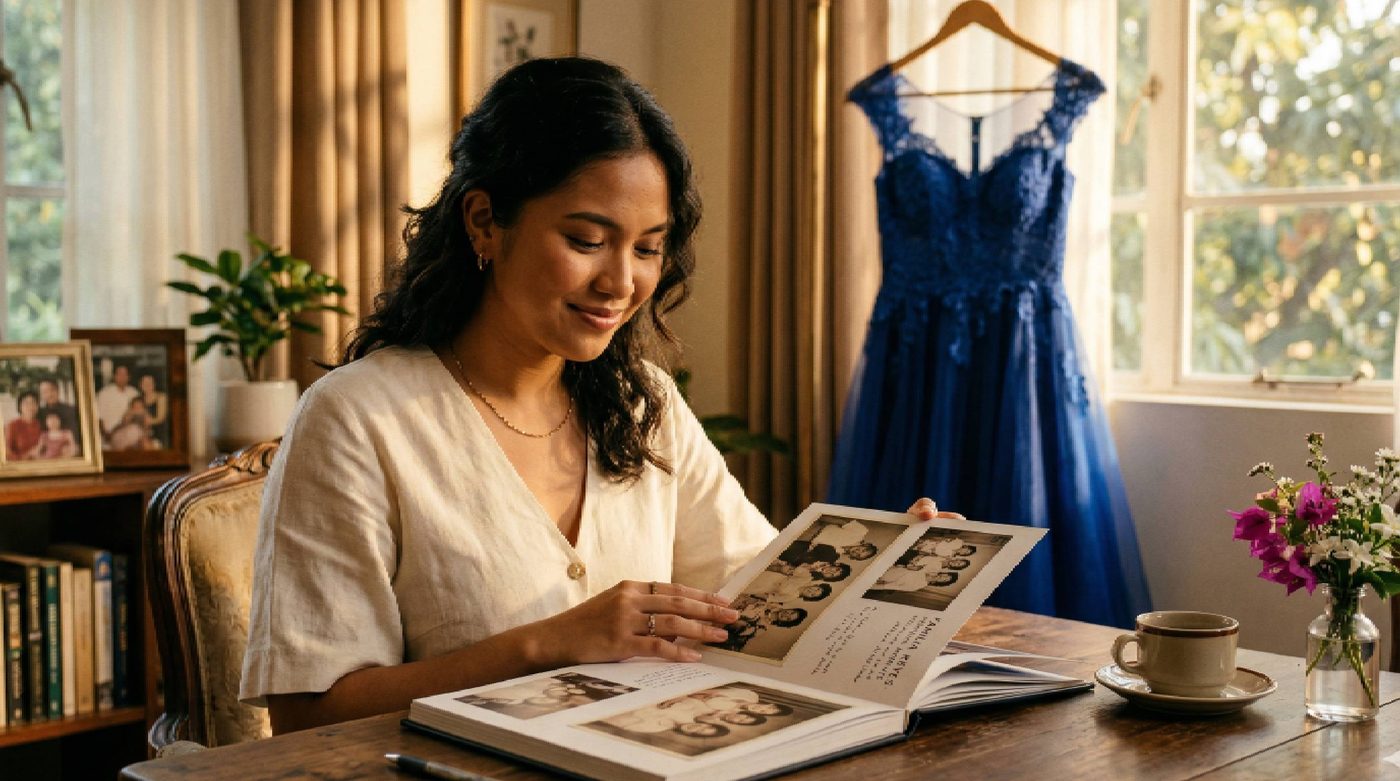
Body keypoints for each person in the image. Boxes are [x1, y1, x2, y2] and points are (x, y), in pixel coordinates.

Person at [237, 56, 953, 735]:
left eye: (647, 248)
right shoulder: (358, 418)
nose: (620, 283)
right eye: (586, 240)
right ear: (484, 221)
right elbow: (307, 714)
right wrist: (546, 643)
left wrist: (881, 575)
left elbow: (753, 600)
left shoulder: (645, 404)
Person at [95, 363, 139, 444]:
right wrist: (105, 434)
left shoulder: (134, 393)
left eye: (125, 375)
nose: (122, 377)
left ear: (129, 377)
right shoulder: (104, 393)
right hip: (108, 433)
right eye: (119, 374)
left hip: (129, 431)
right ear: (114, 376)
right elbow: (98, 417)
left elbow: (138, 413)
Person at [37, 377, 80, 443]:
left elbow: (77, 435)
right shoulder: (39, 413)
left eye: (52, 390)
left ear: (58, 390)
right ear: (41, 395)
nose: (49, 394)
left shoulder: (71, 411)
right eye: (44, 392)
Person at [4, 390, 42, 460]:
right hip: (18, 464)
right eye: (26, 403)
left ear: (37, 406)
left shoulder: (41, 424)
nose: (30, 406)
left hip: (40, 463)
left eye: (33, 403)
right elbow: (6, 452)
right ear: (20, 406)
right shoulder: (12, 425)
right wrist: (26, 456)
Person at [137, 373, 169, 446]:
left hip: (159, 430)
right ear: (140, 385)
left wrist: (148, 421)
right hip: (143, 431)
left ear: (154, 384)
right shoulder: (139, 399)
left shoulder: (161, 397)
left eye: (150, 382)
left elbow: (161, 418)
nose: (147, 385)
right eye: (144, 383)